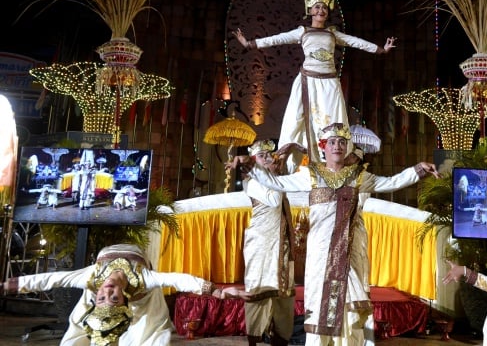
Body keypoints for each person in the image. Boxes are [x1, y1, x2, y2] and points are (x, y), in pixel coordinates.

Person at [227, 123, 439, 346]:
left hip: (349, 253)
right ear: (323, 147)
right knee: (320, 304)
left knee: (350, 307)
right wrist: (250, 165)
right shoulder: (310, 175)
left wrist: (418, 170)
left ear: (347, 147)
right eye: (332, 142)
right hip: (320, 254)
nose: (337, 146)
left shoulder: (359, 176)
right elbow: (275, 183)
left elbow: (390, 183)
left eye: (341, 142)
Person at [232, 0, 396, 172]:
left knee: (332, 119)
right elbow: (278, 39)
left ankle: (334, 162)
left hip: (330, 83)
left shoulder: (333, 34)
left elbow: (354, 41)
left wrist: (380, 49)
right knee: (296, 119)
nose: (321, 10)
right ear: (310, 10)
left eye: (324, 7)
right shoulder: (302, 31)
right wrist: (250, 44)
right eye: (317, 7)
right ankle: (287, 159)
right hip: (307, 81)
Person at [1, 244, 250, 346]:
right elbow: (178, 279)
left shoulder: (91, 278)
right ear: (123, 298)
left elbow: (50, 279)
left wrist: (5, 287)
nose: (108, 291)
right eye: (114, 298)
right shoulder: (143, 280)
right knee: (149, 331)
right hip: (141, 296)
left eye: (102, 297)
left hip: (119, 284)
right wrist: (218, 291)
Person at [241, 139, 296, 346]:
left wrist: (291, 147)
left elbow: (292, 163)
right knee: (259, 292)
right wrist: (276, 175)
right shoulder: (254, 182)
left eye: (269, 154)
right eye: (262, 156)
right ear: (254, 161)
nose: (268, 158)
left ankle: (281, 338)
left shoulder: (275, 177)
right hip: (261, 246)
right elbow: (274, 200)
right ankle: (254, 339)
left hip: (281, 245)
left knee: (284, 295)